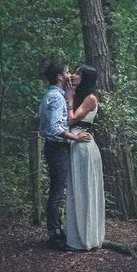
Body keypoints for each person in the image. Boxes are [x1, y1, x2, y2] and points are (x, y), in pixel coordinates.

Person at [38, 62, 91, 251]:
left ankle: (58, 231)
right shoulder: (56, 97)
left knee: (58, 191)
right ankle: (55, 234)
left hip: (57, 148)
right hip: (57, 148)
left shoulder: (58, 95)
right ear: (60, 77)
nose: (70, 75)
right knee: (57, 193)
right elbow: (54, 128)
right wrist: (75, 137)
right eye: (68, 72)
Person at [64, 64, 105, 250]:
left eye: (79, 73)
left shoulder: (90, 98)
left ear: (86, 78)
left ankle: (88, 237)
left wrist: (70, 97)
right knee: (76, 189)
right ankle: (77, 236)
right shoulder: (80, 96)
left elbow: (72, 119)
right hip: (75, 142)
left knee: (85, 188)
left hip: (83, 145)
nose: (74, 74)